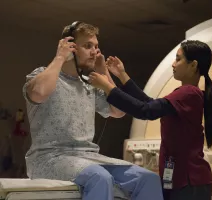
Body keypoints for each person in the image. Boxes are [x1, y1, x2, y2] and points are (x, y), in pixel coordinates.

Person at [22, 22, 164, 200]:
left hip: (87, 158)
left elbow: (118, 111)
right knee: (100, 177)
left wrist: (103, 70)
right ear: (71, 48)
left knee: (148, 179)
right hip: (49, 158)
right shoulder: (42, 74)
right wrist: (60, 57)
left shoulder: (90, 84)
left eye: (96, 47)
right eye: (87, 46)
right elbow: (38, 92)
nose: (94, 52)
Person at [89, 40, 212, 200]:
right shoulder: (186, 93)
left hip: (190, 182)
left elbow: (146, 111)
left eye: (178, 59)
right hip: (180, 179)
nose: (173, 64)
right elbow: (149, 103)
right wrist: (122, 75)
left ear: (193, 65)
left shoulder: (188, 93)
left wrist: (108, 88)